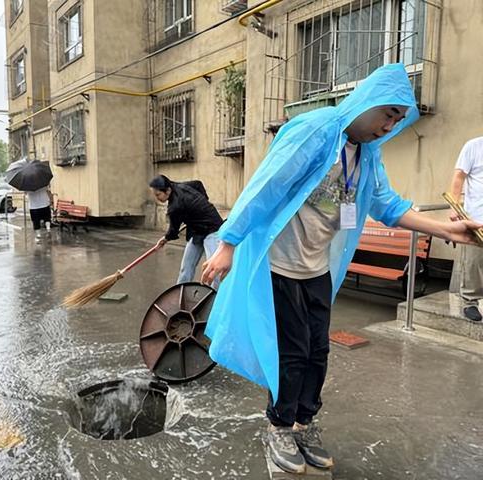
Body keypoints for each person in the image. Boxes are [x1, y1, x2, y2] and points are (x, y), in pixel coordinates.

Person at [200, 64, 482, 474]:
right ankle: (278, 426)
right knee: (292, 353)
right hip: (279, 265)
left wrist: (446, 228)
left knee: (318, 351)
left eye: (398, 120)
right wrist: (228, 243)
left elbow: (388, 206)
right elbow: (266, 185)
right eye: (387, 114)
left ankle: (304, 422)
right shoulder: (315, 131)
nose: (389, 126)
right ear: (365, 101)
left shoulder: (367, 154)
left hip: (316, 269)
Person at [150, 175, 224, 288]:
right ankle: (180, 292)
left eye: (158, 194)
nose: (157, 198)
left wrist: (165, 238)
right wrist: (201, 202)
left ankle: (216, 298)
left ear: (168, 190)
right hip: (196, 231)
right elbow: (198, 184)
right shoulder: (179, 187)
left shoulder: (174, 207)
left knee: (213, 269)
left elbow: (173, 230)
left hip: (212, 229)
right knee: (186, 267)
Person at [450, 137, 483, 322]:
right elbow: (459, 176)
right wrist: (454, 206)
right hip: (476, 217)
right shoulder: (474, 146)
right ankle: (470, 301)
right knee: (474, 262)